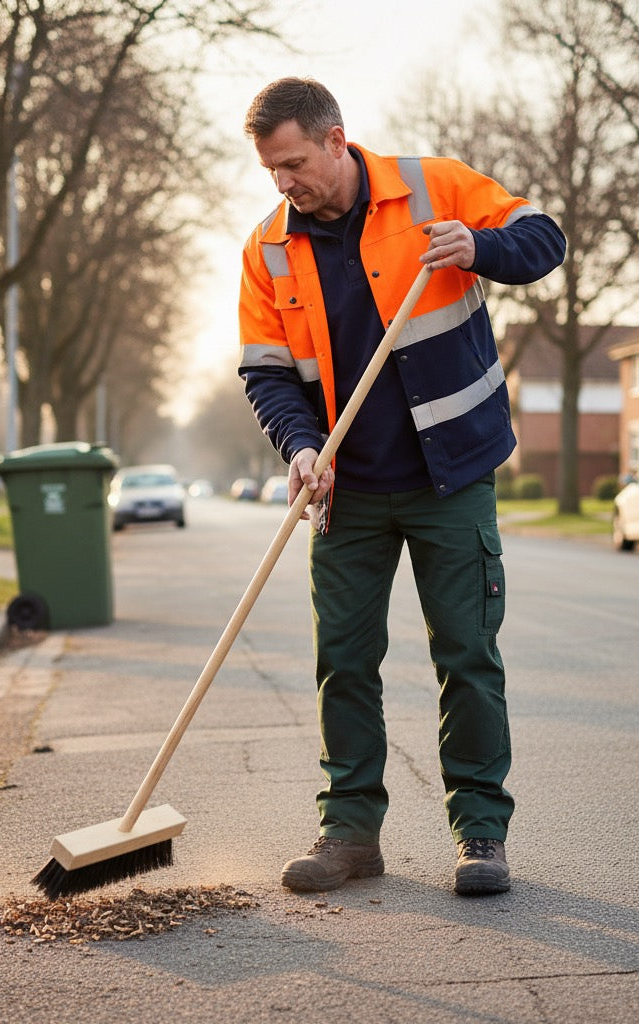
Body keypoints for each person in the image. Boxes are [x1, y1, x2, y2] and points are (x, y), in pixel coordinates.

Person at [238, 77, 566, 896]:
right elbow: (268, 372)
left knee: (466, 654)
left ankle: (481, 833)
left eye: (293, 163)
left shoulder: (434, 187)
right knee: (344, 662)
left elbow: (544, 239)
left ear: (335, 140)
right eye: (271, 170)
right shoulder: (269, 248)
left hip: (449, 477)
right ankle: (350, 834)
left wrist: (480, 248)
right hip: (343, 492)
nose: (284, 182)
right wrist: (300, 445)